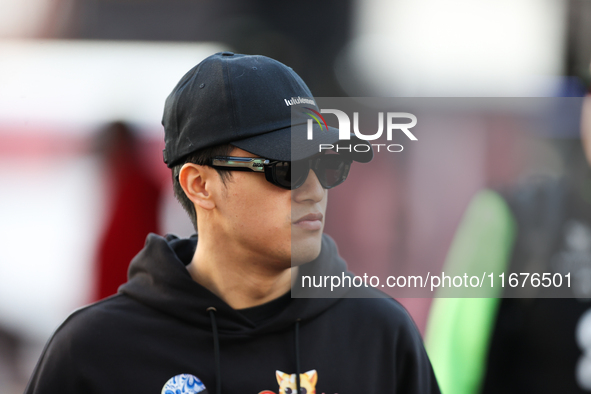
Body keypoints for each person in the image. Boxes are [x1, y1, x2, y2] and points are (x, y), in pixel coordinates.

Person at [25, 52, 440, 394]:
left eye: (326, 163)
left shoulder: (380, 335)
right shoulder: (95, 353)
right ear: (199, 185)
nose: (314, 189)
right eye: (286, 167)